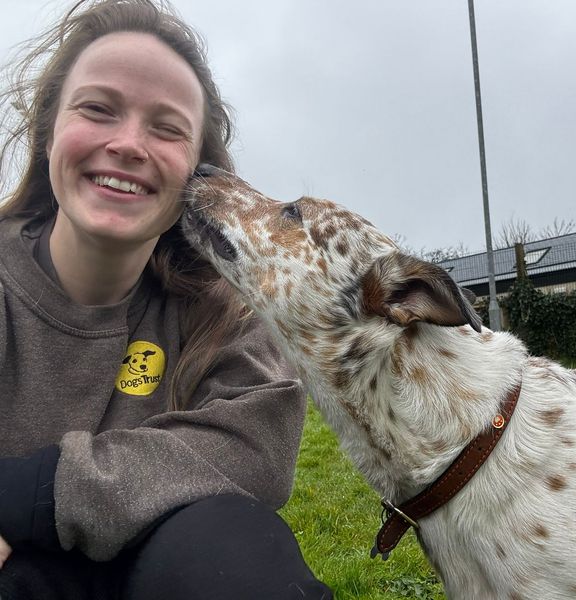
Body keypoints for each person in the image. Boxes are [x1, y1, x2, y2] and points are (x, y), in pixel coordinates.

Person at [0, 1, 332, 598]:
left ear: (196, 170)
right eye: (98, 109)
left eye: (167, 127)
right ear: (48, 132)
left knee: (232, 542)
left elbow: (257, 447)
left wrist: (30, 494)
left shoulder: (226, 305)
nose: (128, 144)